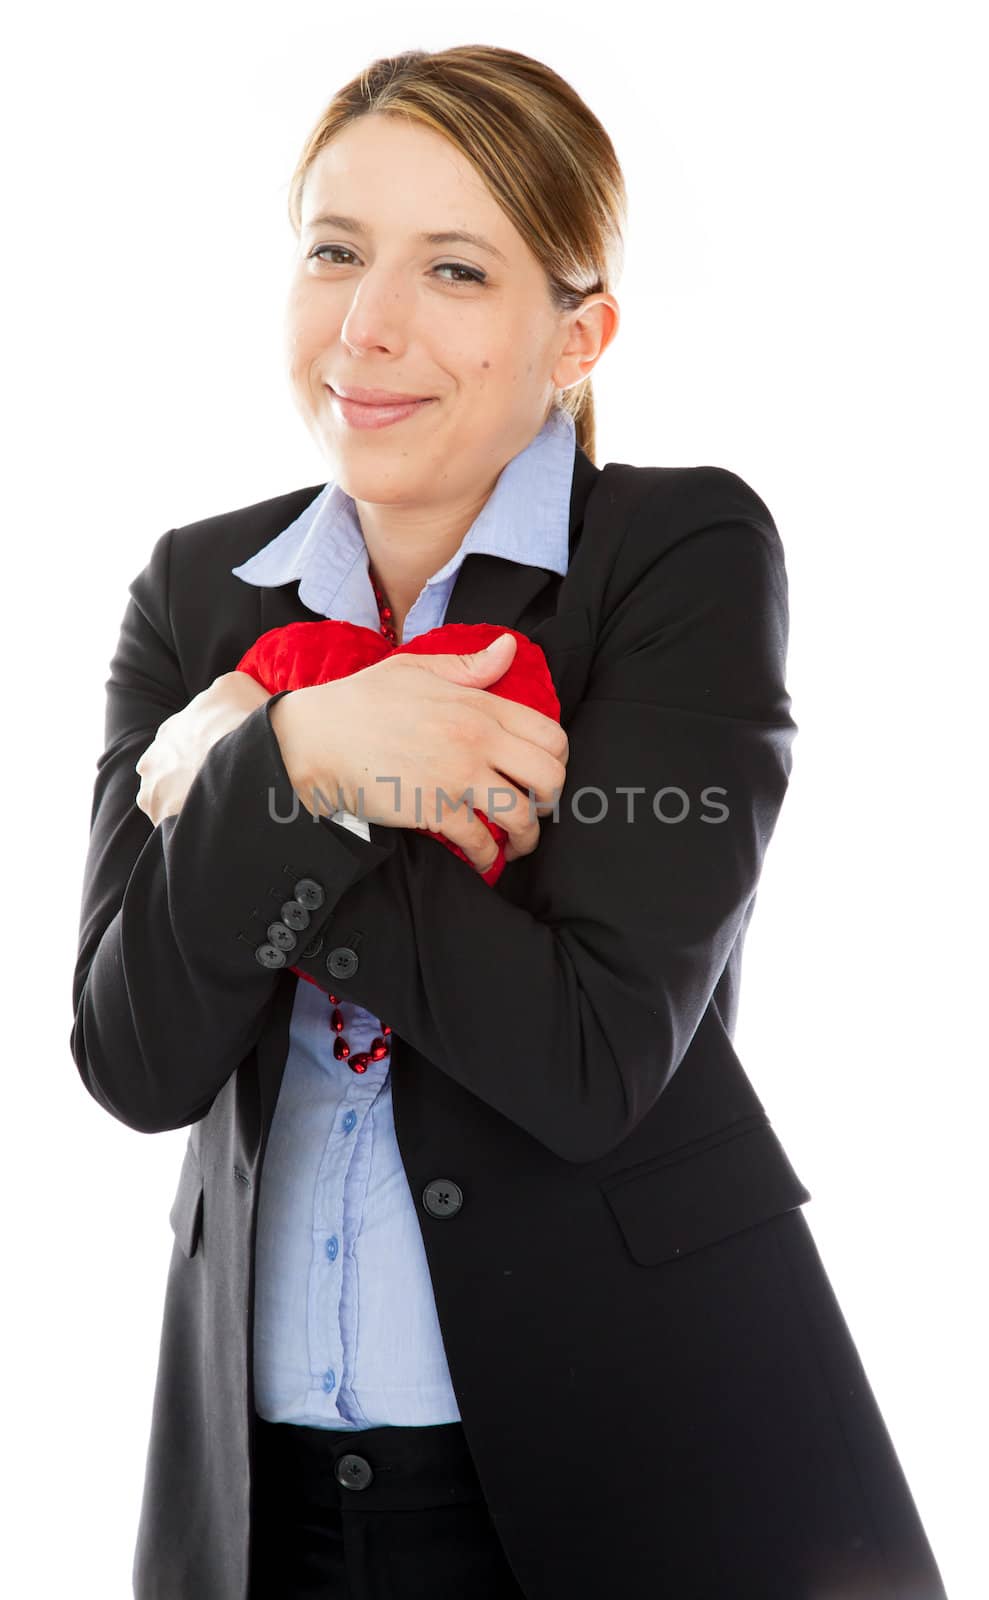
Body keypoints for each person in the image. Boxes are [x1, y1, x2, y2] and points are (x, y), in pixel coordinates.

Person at [70, 42, 949, 1600]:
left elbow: (589, 1055)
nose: (368, 325)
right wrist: (317, 749)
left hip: (634, 1452)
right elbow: (136, 1056)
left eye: (456, 269)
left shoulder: (673, 553)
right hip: (263, 1497)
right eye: (334, 251)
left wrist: (268, 780)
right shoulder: (197, 592)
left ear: (576, 335)